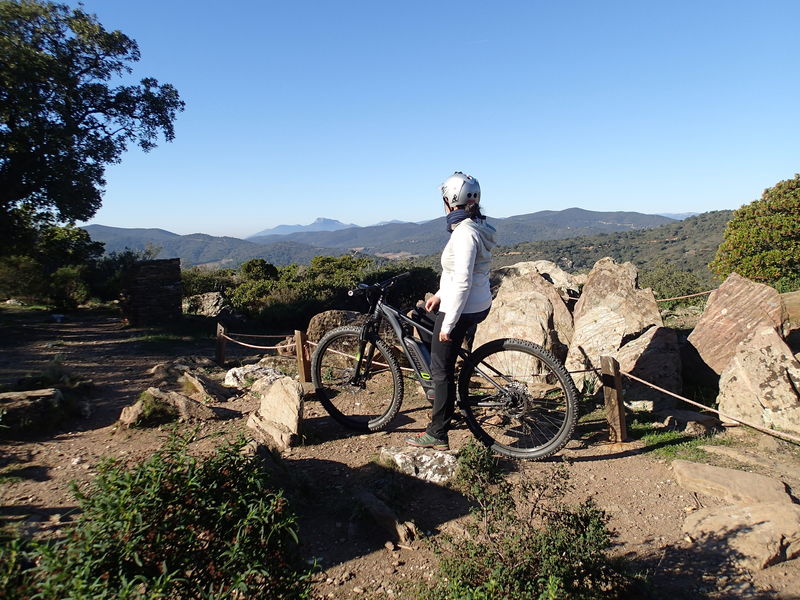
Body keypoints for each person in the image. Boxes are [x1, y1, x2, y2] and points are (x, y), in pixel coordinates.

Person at [406, 171, 496, 451]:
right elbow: (460, 274)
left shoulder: (465, 233)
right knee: (421, 318)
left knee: (441, 370)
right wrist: (439, 296)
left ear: (449, 202)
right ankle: (442, 392)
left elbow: (463, 281)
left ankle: (438, 433)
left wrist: (447, 326)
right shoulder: (474, 226)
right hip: (475, 303)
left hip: (464, 307)